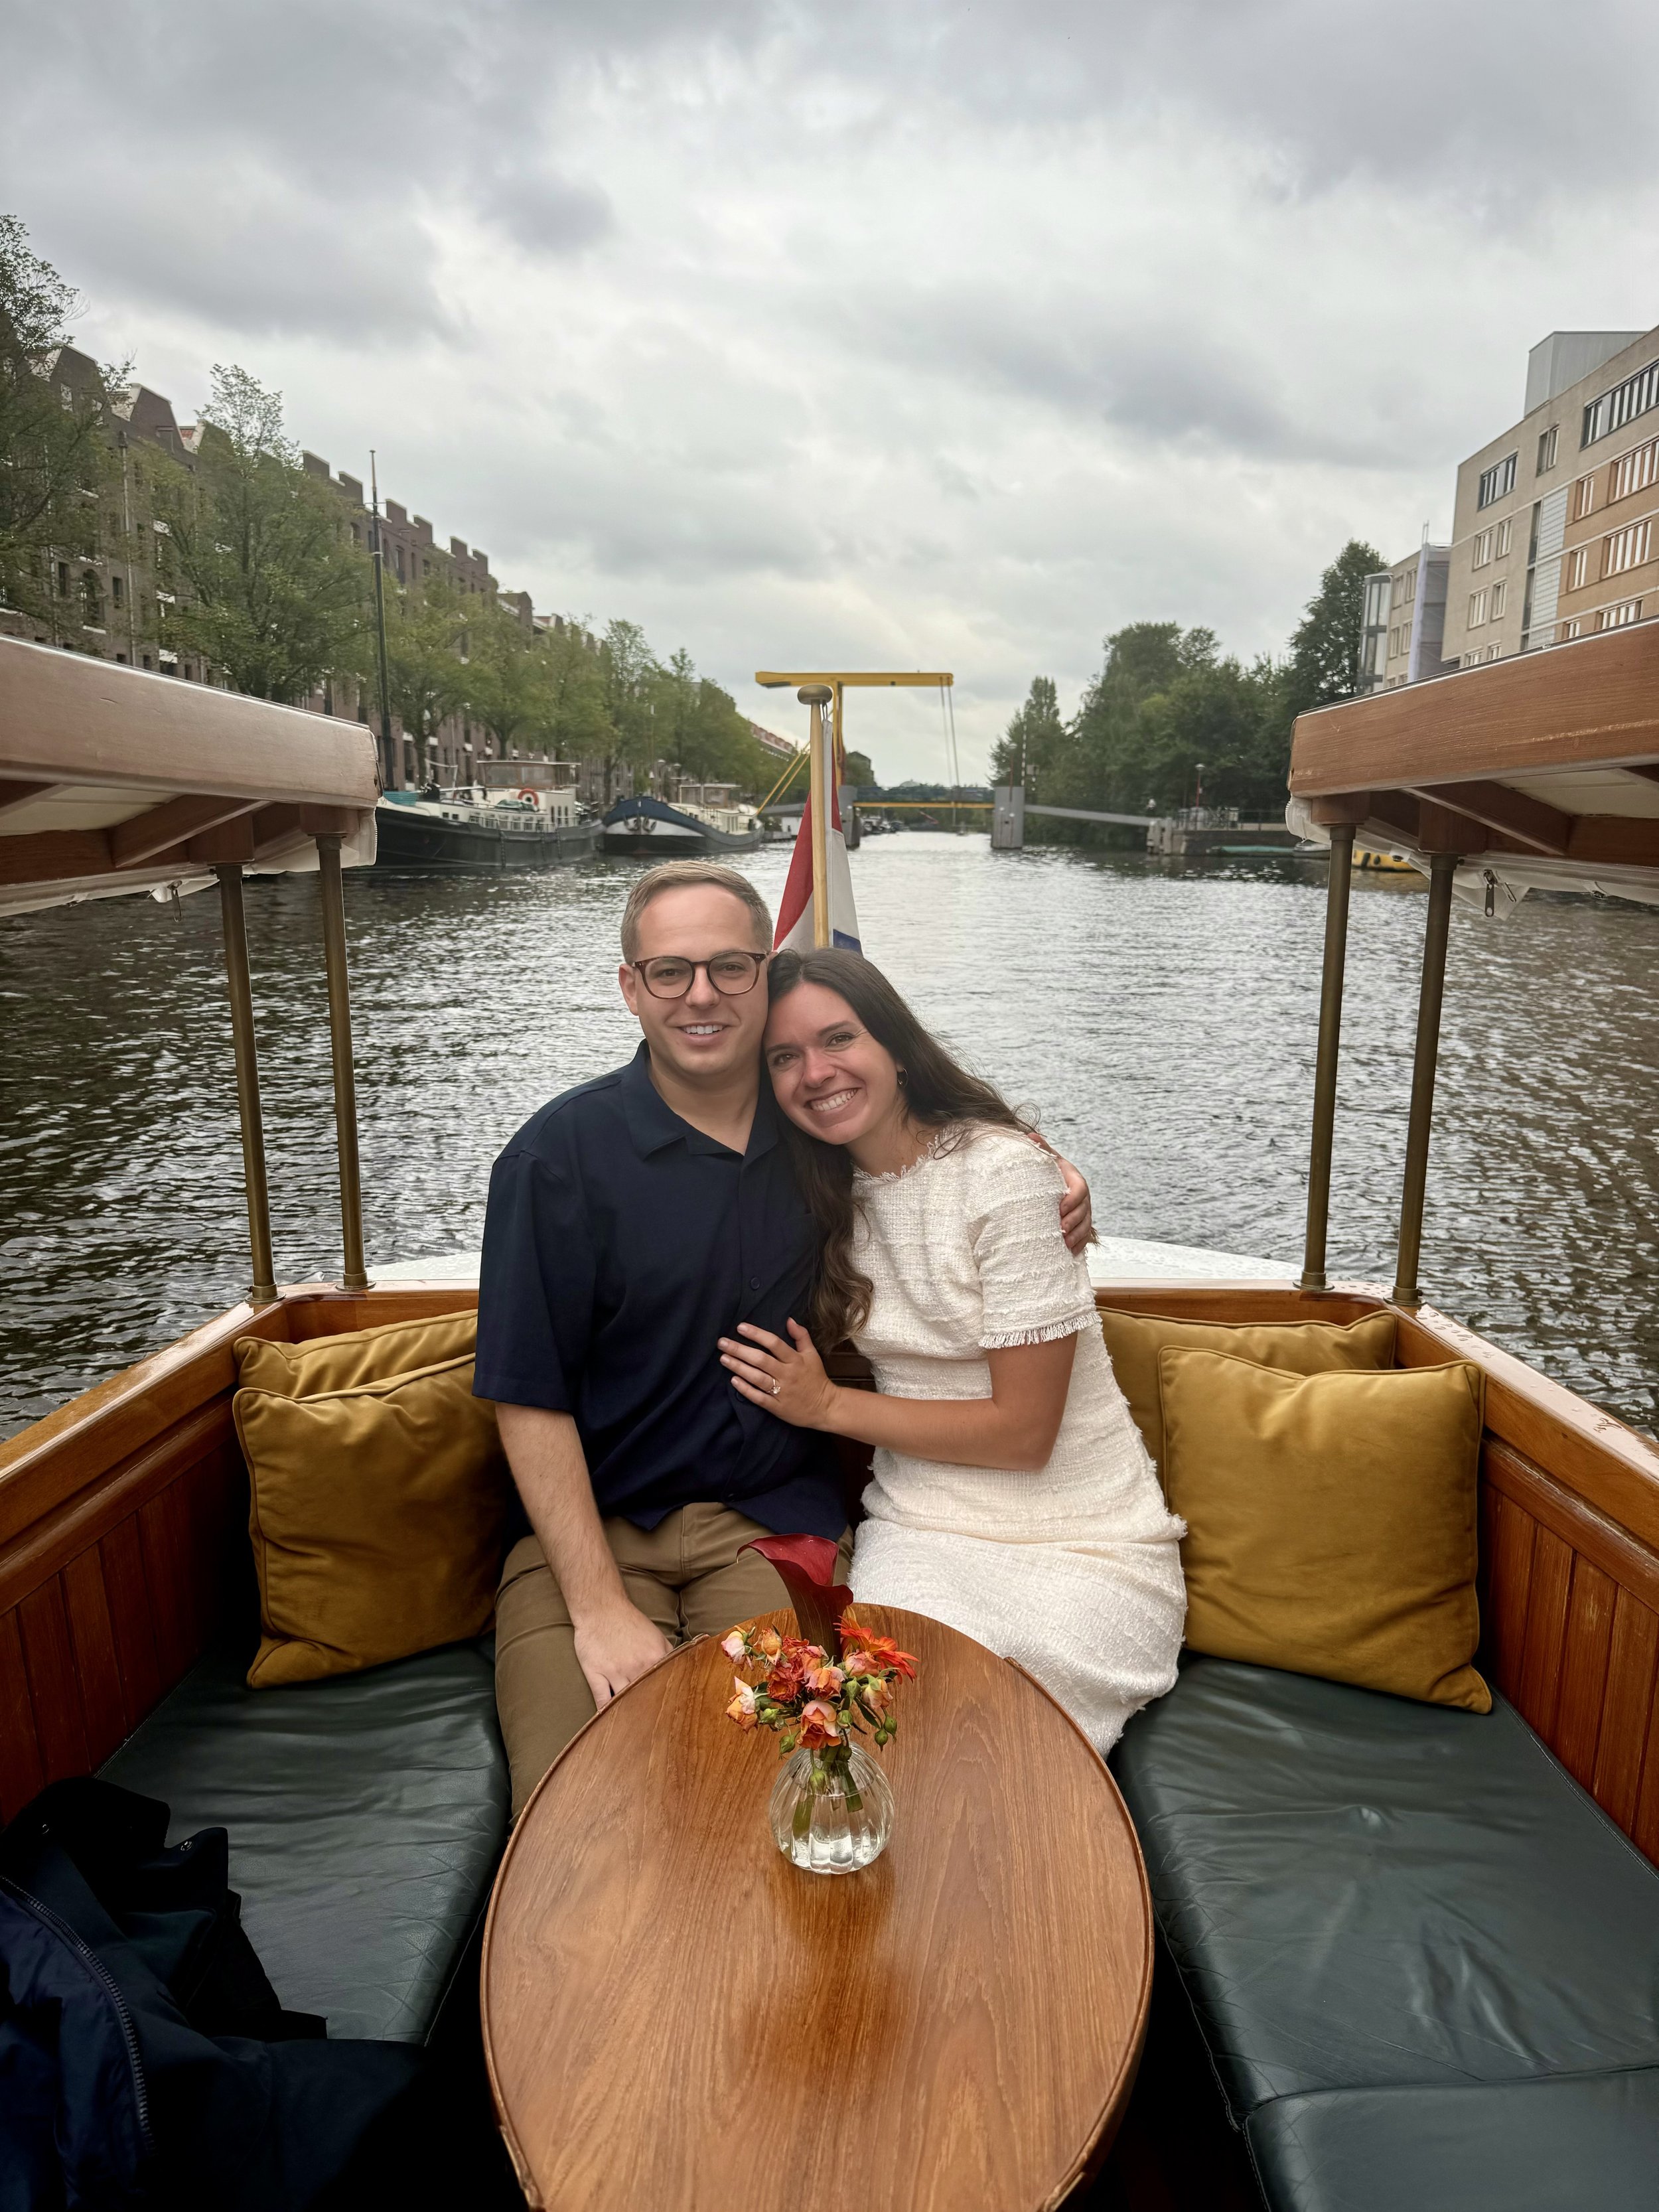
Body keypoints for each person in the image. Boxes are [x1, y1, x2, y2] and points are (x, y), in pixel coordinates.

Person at [472, 861, 1094, 1816]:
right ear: (631, 987)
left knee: (788, 1794)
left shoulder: (820, 1125)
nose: (702, 995)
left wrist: (1055, 1171)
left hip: (767, 1536)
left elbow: (947, 1151)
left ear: (764, 977)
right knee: (580, 1810)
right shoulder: (555, 1159)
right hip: (592, 1541)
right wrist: (597, 1610)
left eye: (730, 967)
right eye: (671, 971)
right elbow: (527, 1393)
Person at [719, 946, 1186, 1755]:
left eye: (839, 1039)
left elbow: (1023, 1434)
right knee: (887, 1718)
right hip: (920, 1530)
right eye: (784, 1057)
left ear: (897, 1048)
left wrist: (825, 1405)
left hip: (1085, 1540)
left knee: (1009, 1730)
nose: (816, 1072)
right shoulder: (812, 1196)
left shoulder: (1003, 1177)